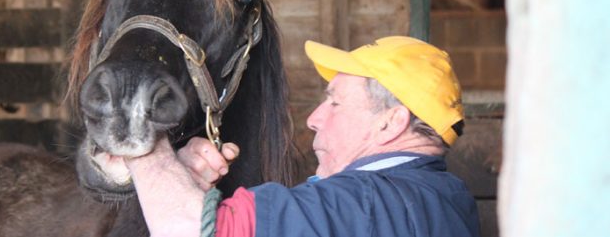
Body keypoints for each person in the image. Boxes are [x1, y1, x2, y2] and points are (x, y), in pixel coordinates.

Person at [125, 36, 481, 237]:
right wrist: (184, 186)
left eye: (335, 102)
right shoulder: (448, 198)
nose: (313, 119)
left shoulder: (364, 203)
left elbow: (191, 231)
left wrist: (140, 143)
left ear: (390, 123)